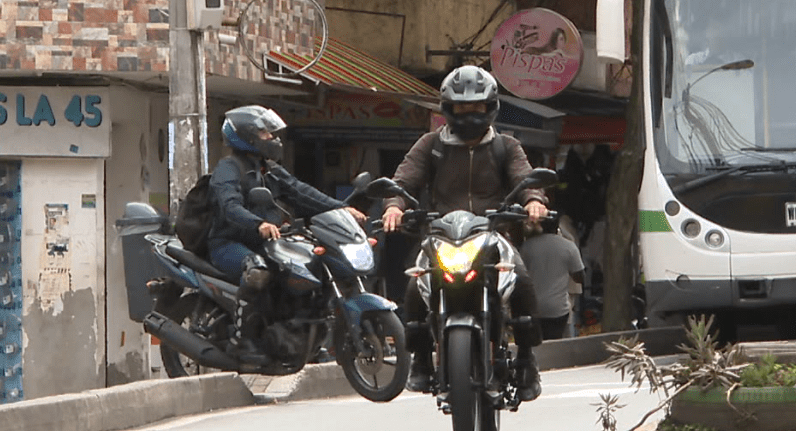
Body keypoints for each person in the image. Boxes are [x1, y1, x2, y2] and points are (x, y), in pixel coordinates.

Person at [381, 65, 550, 400]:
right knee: (416, 288)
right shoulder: (430, 144)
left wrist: (534, 200)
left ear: (490, 107)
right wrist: (394, 205)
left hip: (493, 234)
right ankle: (420, 360)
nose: (469, 114)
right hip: (441, 235)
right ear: (447, 109)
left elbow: (524, 177)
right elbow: (404, 179)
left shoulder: (507, 146)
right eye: (461, 108)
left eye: (476, 108)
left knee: (522, 281)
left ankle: (528, 360)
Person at [208, 104, 367, 369]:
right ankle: (242, 341)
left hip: (267, 243)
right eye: (265, 134)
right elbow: (229, 206)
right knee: (256, 270)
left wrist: (341, 208)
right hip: (229, 243)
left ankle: (307, 341)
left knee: (309, 267)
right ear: (246, 136)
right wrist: (257, 223)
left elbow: (301, 192)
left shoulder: (268, 169)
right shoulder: (229, 169)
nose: (272, 138)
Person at [520, 215, 585, 340]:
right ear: (557, 226)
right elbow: (580, 277)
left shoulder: (527, 246)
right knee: (556, 342)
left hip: (534, 307)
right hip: (558, 309)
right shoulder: (569, 246)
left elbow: (520, 275)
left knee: (537, 342)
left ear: (541, 226)